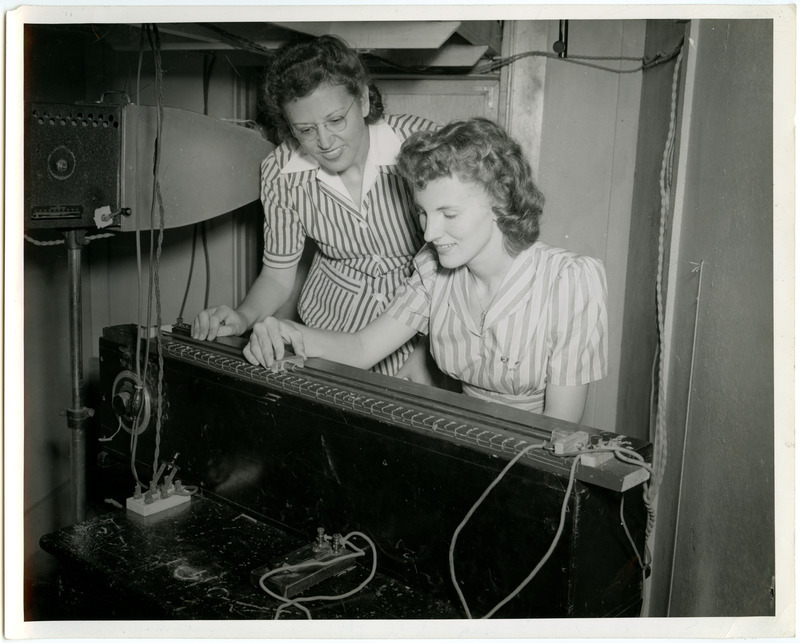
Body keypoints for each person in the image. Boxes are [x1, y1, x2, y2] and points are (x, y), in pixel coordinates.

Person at [245, 118, 608, 423]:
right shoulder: (434, 270)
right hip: (464, 435)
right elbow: (362, 346)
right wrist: (287, 331)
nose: (430, 233)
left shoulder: (567, 281)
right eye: (423, 212)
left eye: (448, 214)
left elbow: (558, 430)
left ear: (501, 200)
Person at [191, 35, 438, 380]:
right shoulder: (281, 172)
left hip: (422, 333)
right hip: (329, 336)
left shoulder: (423, 145)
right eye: (305, 130)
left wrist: (427, 352)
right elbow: (278, 276)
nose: (324, 142)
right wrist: (243, 317)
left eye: (336, 120)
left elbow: (459, 261)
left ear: (364, 100)